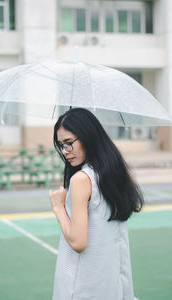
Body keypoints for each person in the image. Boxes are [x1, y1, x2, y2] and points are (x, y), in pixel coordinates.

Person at [49, 107, 143, 300]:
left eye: (69, 143)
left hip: (81, 283)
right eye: (61, 145)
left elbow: (78, 242)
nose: (65, 151)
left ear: (88, 137)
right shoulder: (111, 174)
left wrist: (58, 208)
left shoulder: (81, 180)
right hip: (111, 281)